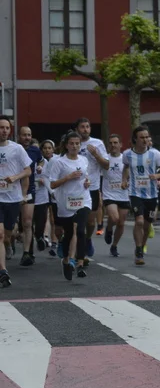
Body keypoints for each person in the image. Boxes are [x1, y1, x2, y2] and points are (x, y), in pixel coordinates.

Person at [47, 131, 92, 281]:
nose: (74, 146)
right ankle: (66, 260)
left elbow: (86, 177)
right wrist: (68, 177)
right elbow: (52, 184)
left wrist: (87, 182)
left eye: (77, 143)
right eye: (71, 143)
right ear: (66, 145)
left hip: (83, 200)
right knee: (68, 234)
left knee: (80, 230)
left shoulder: (84, 160)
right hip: (65, 202)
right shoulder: (59, 162)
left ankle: (80, 263)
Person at [122, 125, 160, 266]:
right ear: (135, 139)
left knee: (148, 224)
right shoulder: (127, 154)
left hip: (152, 194)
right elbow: (126, 167)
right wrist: (124, 180)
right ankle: (138, 250)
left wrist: (157, 176)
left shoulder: (155, 154)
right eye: (142, 137)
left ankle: (142, 245)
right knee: (139, 221)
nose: (145, 140)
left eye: (147, 137)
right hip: (135, 193)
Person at [0, 117, 32, 287]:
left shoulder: (17, 148)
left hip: (12, 197)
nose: (4, 130)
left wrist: (15, 177)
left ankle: (8, 245)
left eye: (7, 128)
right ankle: (3, 271)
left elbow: (28, 171)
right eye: (1, 127)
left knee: (7, 235)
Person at [75, 117, 109, 261]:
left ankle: (87, 239)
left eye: (87, 127)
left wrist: (96, 154)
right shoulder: (73, 143)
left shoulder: (97, 143)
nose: (85, 129)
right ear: (77, 129)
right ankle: (78, 249)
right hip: (75, 188)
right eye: (82, 127)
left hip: (92, 187)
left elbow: (106, 165)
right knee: (78, 222)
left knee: (90, 222)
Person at [17, 125, 44, 266]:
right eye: (24, 135)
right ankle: (8, 243)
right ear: (18, 136)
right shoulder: (14, 149)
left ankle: (27, 253)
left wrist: (40, 166)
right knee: (11, 228)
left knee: (27, 222)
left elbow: (41, 160)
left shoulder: (35, 150)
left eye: (29, 135)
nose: (27, 138)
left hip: (29, 190)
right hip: (11, 190)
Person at [101, 134, 129, 259]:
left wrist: (126, 181)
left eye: (115, 142)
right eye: (111, 143)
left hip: (123, 194)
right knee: (115, 217)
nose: (113, 145)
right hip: (109, 193)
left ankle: (114, 245)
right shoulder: (105, 159)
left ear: (120, 144)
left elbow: (130, 174)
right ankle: (109, 228)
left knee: (121, 223)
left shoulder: (125, 159)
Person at [32, 140, 55, 259]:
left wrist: (44, 181)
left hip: (43, 197)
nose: (47, 150)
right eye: (44, 148)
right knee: (27, 224)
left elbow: (49, 178)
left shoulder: (47, 163)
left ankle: (42, 237)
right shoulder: (28, 161)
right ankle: (29, 250)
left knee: (43, 220)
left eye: (49, 148)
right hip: (29, 196)